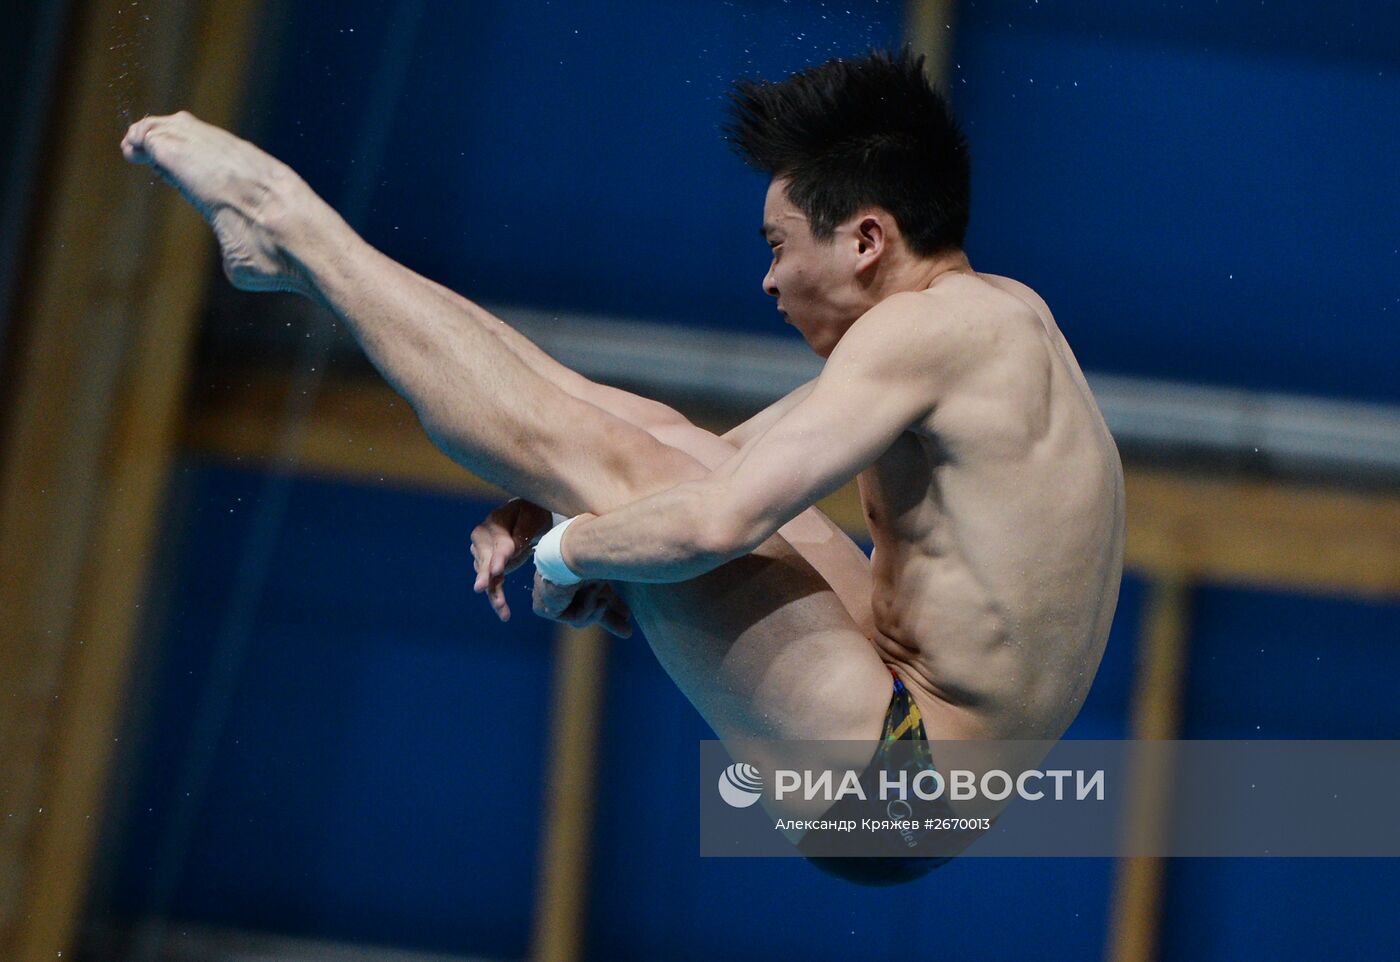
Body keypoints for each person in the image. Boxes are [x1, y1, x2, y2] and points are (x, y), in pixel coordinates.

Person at [122, 50, 1124, 884]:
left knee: (596, 454)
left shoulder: (926, 332)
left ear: (866, 238)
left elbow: (711, 523)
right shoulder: (990, 317)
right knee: (640, 434)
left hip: (892, 777)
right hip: (929, 757)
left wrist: (569, 546)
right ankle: (300, 250)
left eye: (777, 246)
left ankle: (288, 221)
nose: (768, 278)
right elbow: (720, 464)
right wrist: (546, 508)